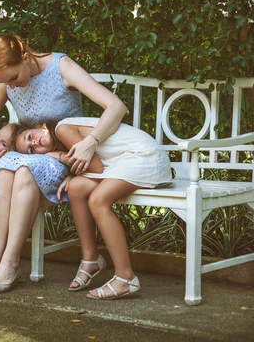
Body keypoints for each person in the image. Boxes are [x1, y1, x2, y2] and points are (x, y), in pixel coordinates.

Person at [0, 33, 128, 295]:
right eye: (4, 82)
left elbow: (115, 106)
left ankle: (10, 263)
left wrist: (91, 142)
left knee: (22, 170)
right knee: (7, 168)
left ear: (26, 57)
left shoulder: (61, 67)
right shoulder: (7, 80)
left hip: (66, 154)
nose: (12, 86)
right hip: (30, 153)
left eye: (13, 78)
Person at [16, 119, 172, 299]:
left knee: (98, 201)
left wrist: (57, 155)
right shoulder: (62, 138)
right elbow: (94, 166)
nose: (34, 144)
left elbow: (96, 168)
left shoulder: (62, 129)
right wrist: (72, 176)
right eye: (31, 150)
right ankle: (91, 260)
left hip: (144, 157)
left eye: (30, 137)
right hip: (123, 163)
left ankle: (125, 278)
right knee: (75, 187)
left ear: (41, 126)